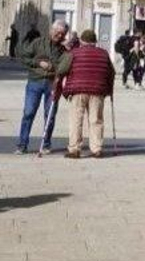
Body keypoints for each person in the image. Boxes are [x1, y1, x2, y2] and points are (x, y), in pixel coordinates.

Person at [56, 27, 115, 159]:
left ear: (81, 41)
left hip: (77, 91)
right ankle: (96, 149)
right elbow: (111, 72)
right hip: (97, 91)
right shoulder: (104, 53)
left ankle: (75, 149)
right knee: (96, 120)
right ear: (95, 41)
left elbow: (61, 69)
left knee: (76, 119)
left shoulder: (74, 53)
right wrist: (109, 90)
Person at [15, 21, 67, 155]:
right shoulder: (38, 43)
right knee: (28, 113)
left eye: (62, 34)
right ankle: (22, 145)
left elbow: (64, 67)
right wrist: (37, 62)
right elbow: (24, 56)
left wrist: (54, 68)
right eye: (57, 32)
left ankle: (46, 144)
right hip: (35, 81)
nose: (59, 35)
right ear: (51, 30)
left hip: (52, 83)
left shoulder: (63, 50)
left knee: (50, 115)